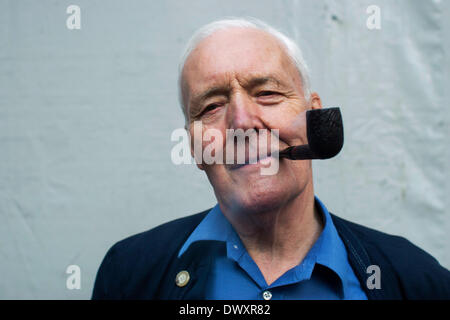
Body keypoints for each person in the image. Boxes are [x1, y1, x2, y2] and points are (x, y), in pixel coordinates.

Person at [92, 17, 450, 300]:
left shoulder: (417, 279)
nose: (242, 122)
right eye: (212, 106)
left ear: (314, 120)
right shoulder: (128, 274)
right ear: (195, 148)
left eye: (266, 93)